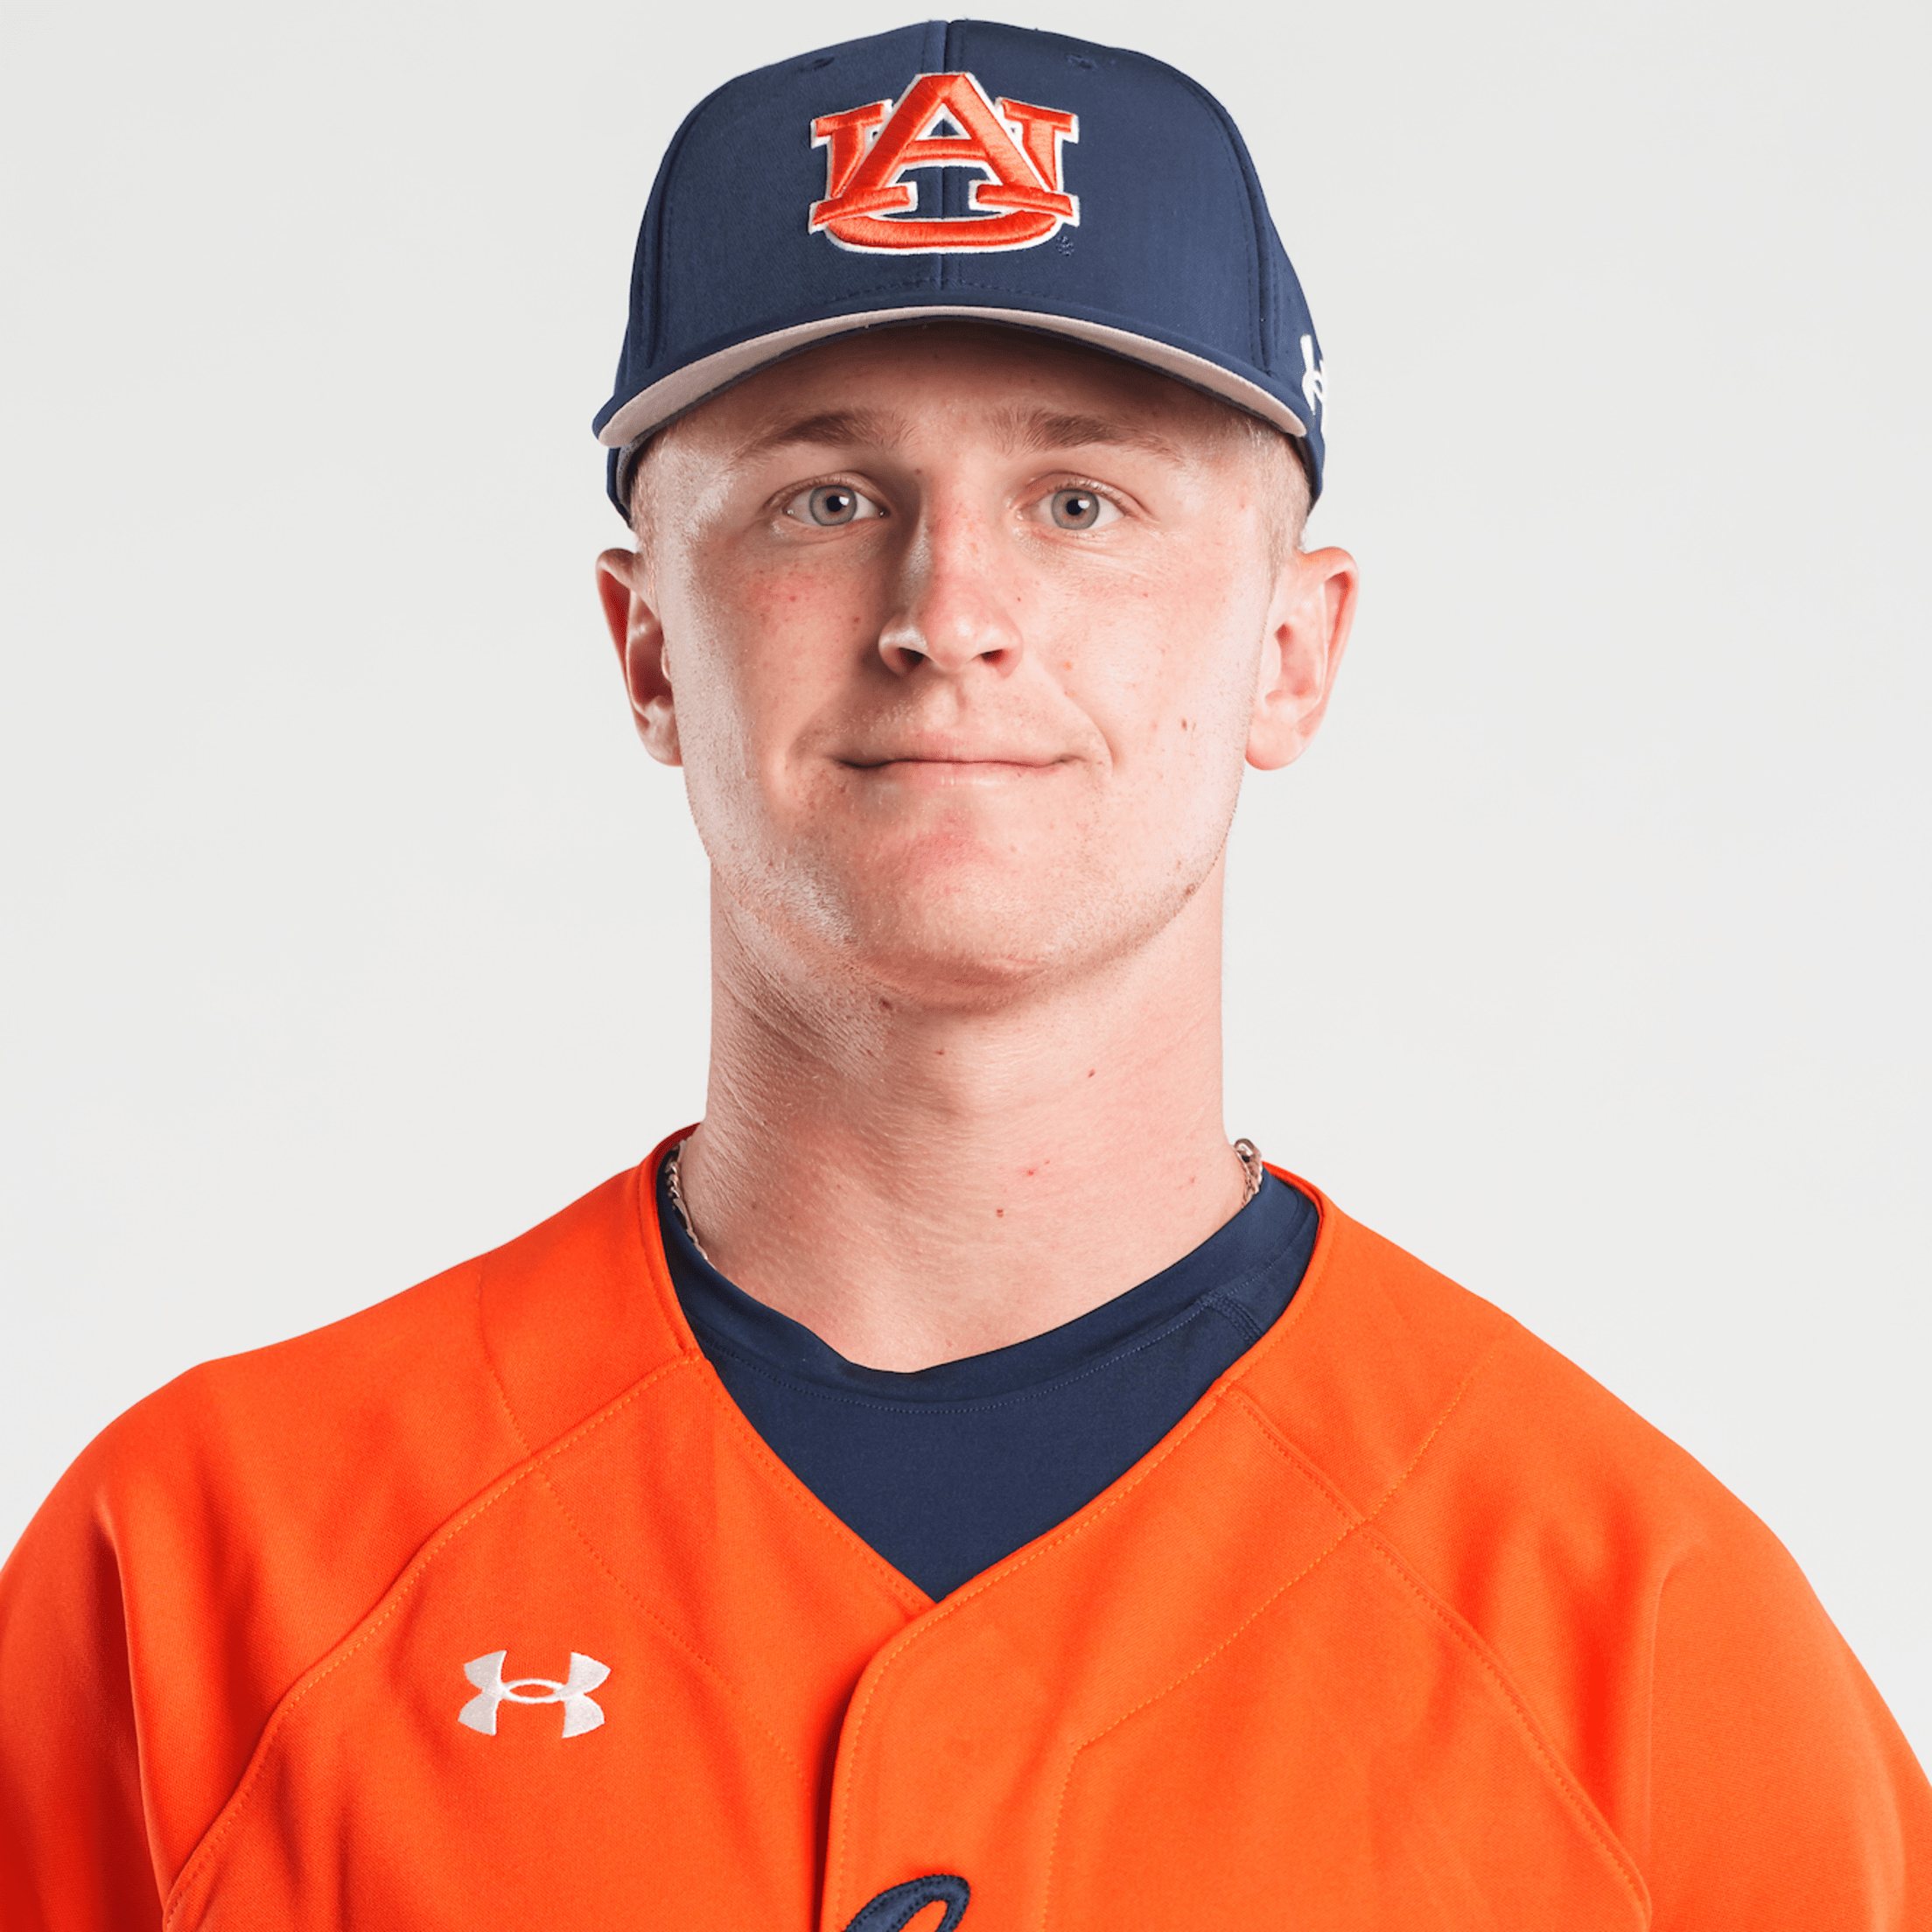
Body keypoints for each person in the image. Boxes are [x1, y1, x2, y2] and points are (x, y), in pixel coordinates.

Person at [1, 18, 1926, 1931]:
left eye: (1082, 502)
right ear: (648, 649)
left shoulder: (1652, 1653)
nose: (948, 617)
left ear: (1291, 648)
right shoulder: (197, 1582)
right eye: (825, 500)